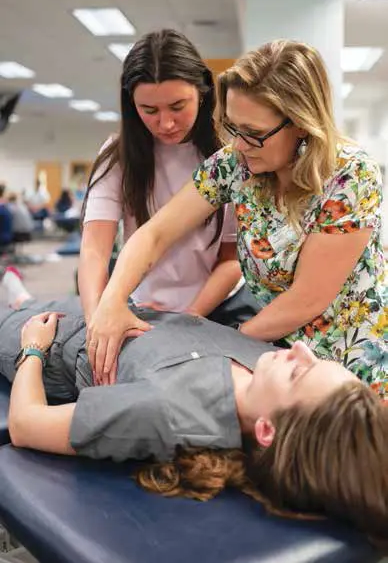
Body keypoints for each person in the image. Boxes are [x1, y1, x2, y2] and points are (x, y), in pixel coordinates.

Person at [0, 270, 386, 554]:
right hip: (120, 312)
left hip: (58, 337)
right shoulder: (267, 371)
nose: (300, 351)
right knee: (28, 298)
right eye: (315, 359)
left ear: (267, 431)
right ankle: (18, 294)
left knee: (23, 312)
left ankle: (17, 299)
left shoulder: (162, 410)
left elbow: (25, 423)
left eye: (299, 373)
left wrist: (33, 348)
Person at [86, 39, 387, 393]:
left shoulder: (351, 176)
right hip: (277, 355)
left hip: (352, 362)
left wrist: (219, 342)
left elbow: (307, 299)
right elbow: (154, 235)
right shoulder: (234, 166)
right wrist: (112, 300)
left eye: (255, 134)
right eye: (233, 127)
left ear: (302, 124)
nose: (240, 144)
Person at [79, 29, 257, 378]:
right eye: (149, 110)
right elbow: (94, 252)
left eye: (178, 106)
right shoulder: (118, 157)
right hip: (138, 305)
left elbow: (230, 260)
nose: (166, 123)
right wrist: (98, 320)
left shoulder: (229, 158)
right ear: (132, 105)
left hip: (214, 306)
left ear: (203, 92)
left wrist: (190, 316)